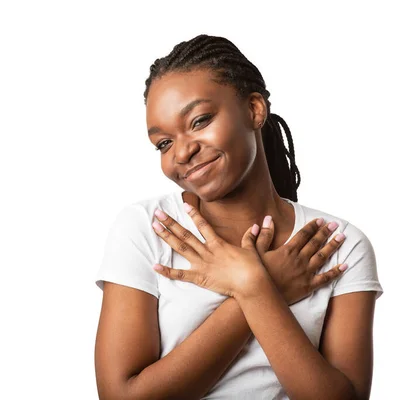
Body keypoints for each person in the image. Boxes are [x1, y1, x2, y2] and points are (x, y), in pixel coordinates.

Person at [94, 34, 383, 400]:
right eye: (164, 143)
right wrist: (263, 285)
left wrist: (253, 288)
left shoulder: (336, 244)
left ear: (254, 110)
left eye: (199, 121)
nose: (182, 151)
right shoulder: (147, 229)